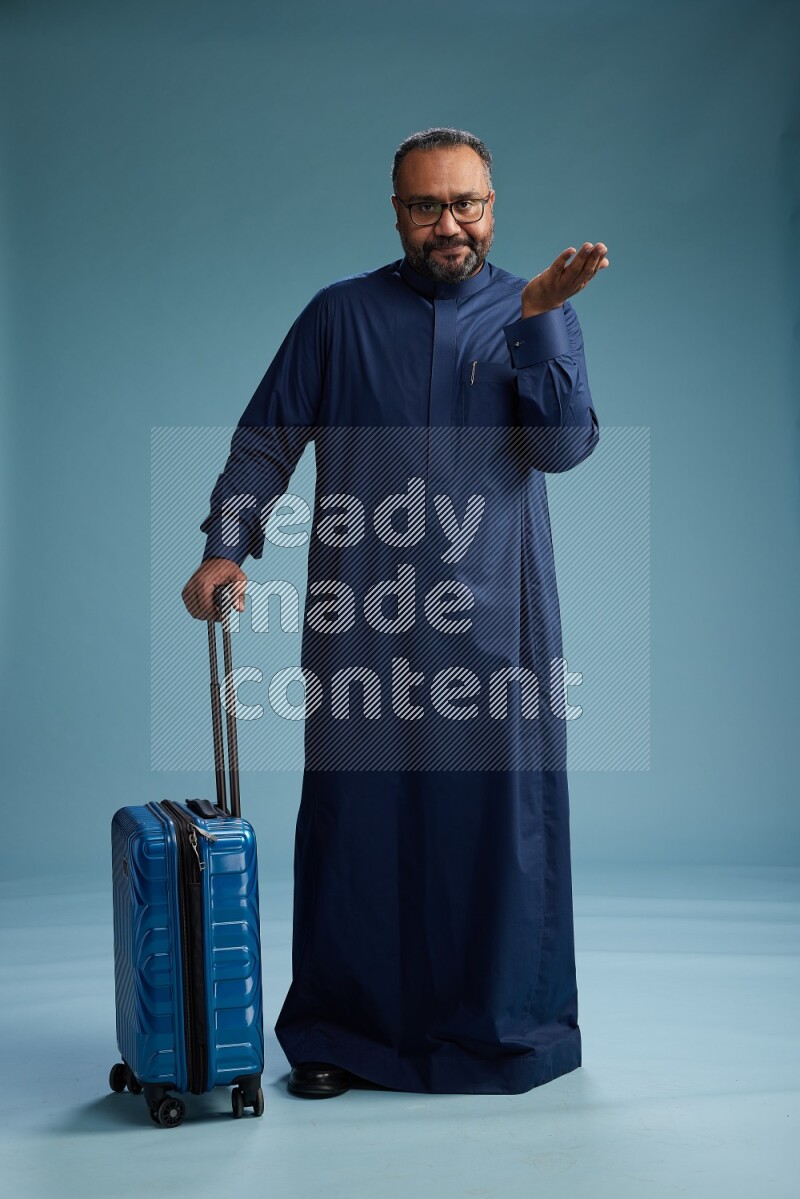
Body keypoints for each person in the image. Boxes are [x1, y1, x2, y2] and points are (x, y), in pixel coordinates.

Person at [182, 127, 608, 1098]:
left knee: (496, 830)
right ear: (396, 211)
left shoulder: (531, 309)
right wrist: (224, 546)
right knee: (358, 822)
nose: (449, 223)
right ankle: (345, 1032)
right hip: (360, 613)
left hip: (498, 623)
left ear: (493, 206)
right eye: (427, 205)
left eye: (468, 203)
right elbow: (264, 442)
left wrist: (540, 320)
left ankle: (509, 1032)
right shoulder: (338, 316)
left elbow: (561, 448)